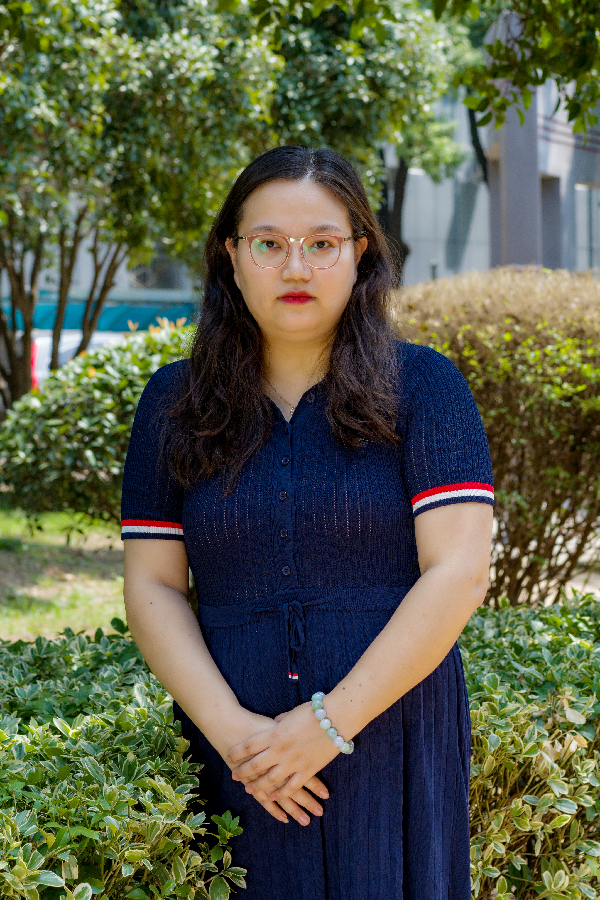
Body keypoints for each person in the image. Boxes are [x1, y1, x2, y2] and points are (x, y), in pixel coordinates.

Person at [121, 145, 494, 900]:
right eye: (269, 243)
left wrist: (324, 728)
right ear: (230, 256)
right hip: (239, 754)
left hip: (392, 732)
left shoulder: (425, 388)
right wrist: (241, 741)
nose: (296, 267)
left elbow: (458, 570)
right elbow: (153, 586)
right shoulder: (174, 403)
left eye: (322, 244)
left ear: (361, 253)